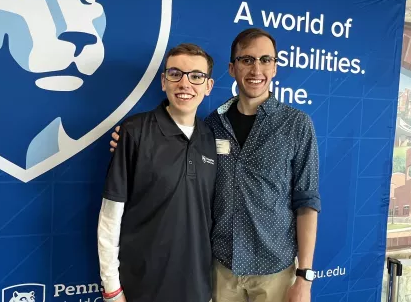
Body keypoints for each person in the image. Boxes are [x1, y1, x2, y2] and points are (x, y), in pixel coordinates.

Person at [109, 27, 321, 302]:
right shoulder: (211, 126)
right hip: (221, 272)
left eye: (265, 60)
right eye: (247, 60)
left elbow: (306, 202)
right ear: (232, 69)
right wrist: (130, 141)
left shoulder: (297, 125)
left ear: (275, 67)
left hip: (275, 273)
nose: (256, 69)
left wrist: (304, 277)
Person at [97, 43, 217, 302]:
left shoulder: (211, 138)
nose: (185, 84)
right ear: (164, 81)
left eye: (196, 76)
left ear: (208, 86)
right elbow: (110, 215)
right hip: (140, 288)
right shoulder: (134, 132)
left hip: (197, 289)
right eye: (175, 74)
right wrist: (111, 288)